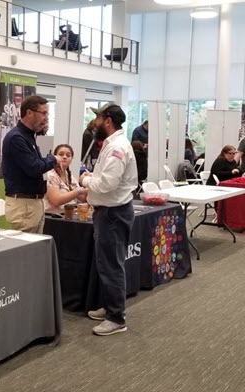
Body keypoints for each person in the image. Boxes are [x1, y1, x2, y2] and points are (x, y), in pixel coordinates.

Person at [79, 103, 137, 336]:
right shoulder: (112, 144)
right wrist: (93, 177)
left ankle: (116, 317)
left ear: (108, 120)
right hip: (109, 212)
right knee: (107, 264)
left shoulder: (117, 148)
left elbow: (107, 184)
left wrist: (85, 181)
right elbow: (105, 178)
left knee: (111, 265)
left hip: (113, 213)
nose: (94, 122)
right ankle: (112, 307)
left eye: (98, 118)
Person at [2, 95, 58, 233]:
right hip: (24, 206)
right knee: (25, 253)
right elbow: (35, 167)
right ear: (29, 113)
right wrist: (53, 159)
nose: (46, 118)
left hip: (33, 204)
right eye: (43, 113)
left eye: (47, 113)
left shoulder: (28, 136)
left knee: (35, 252)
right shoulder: (16, 138)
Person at [44, 144, 88, 210]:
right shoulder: (50, 175)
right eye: (61, 154)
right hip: (52, 216)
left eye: (68, 155)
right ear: (54, 157)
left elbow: (82, 198)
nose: (64, 157)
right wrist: (78, 191)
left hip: (67, 214)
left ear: (71, 159)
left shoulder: (69, 175)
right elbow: (56, 200)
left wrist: (87, 182)